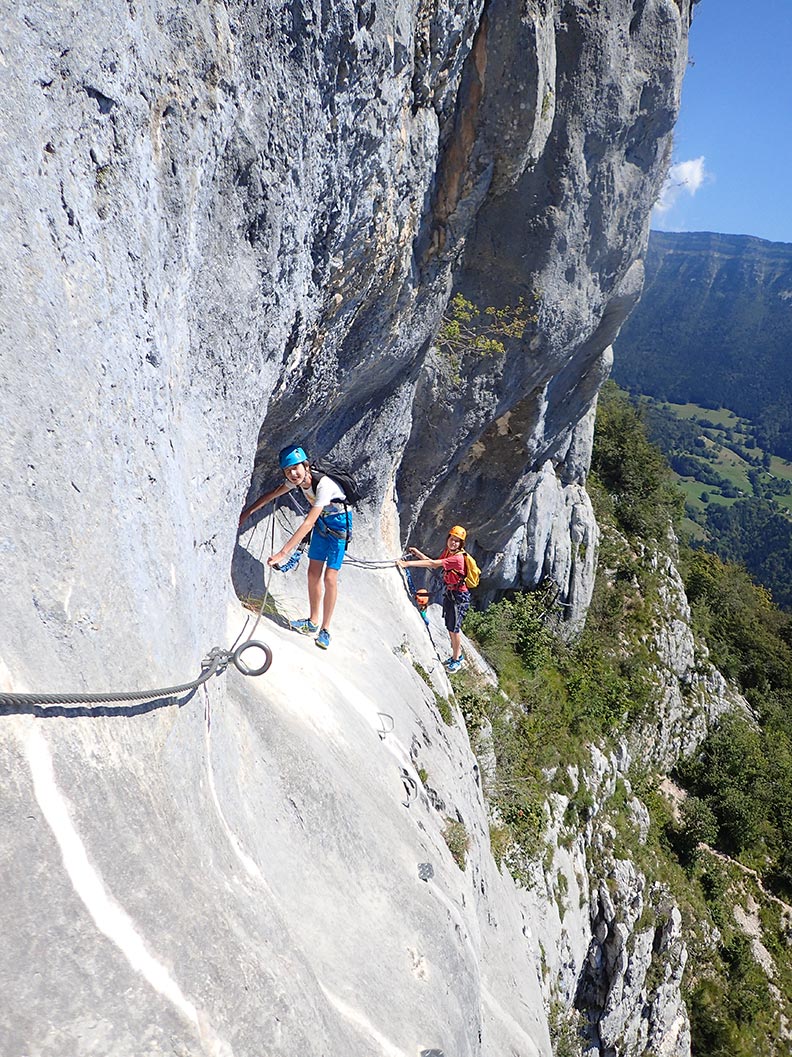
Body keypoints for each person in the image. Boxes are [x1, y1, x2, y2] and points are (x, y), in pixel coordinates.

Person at [238, 445, 351, 650]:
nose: (293, 474)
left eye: (295, 468)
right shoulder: (296, 481)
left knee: (330, 577)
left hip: (339, 528)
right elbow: (271, 495)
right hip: (323, 525)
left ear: (305, 466)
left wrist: (283, 553)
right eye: (288, 470)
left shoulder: (324, 485)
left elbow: (308, 523)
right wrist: (247, 513)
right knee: (313, 574)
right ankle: (313, 622)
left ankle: (325, 629)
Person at [397, 525, 470, 672]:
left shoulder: (457, 558)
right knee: (450, 627)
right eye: (452, 539)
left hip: (459, 597)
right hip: (451, 593)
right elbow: (434, 563)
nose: (453, 542)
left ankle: (457, 659)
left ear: (461, 544)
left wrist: (407, 563)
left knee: (454, 629)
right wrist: (418, 554)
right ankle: (456, 656)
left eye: (457, 541)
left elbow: (433, 564)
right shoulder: (448, 553)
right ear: (448, 539)